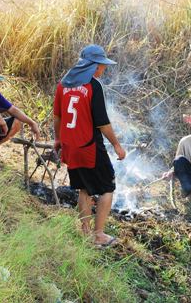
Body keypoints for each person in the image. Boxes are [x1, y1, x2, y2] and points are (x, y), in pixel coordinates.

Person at [53, 45, 126, 247]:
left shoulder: (63, 85)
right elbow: (102, 123)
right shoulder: (93, 86)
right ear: (93, 66)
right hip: (89, 146)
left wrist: (57, 139)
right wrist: (117, 145)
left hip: (70, 147)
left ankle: (85, 233)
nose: (103, 70)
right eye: (102, 66)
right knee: (107, 187)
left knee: (84, 188)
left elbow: (58, 116)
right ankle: (99, 234)